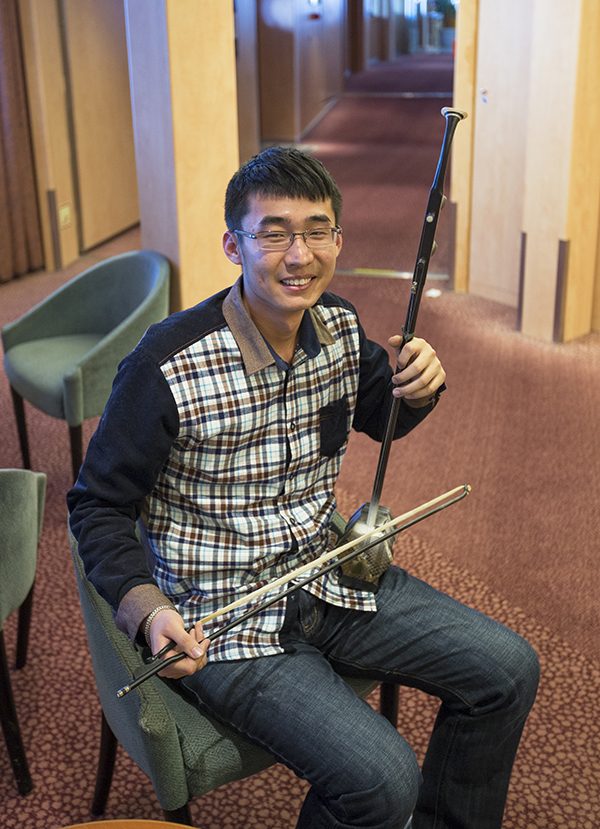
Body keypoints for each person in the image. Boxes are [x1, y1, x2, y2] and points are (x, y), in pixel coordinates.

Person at [68, 146, 539, 829]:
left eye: (317, 230)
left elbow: (386, 413)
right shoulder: (165, 364)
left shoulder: (341, 328)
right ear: (234, 244)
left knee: (509, 669)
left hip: (332, 575)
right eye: (275, 232)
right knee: (381, 781)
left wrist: (423, 383)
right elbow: (98, 504)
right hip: (224, 620)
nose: (300, 254)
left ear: (339, 240)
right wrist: (147, 609)